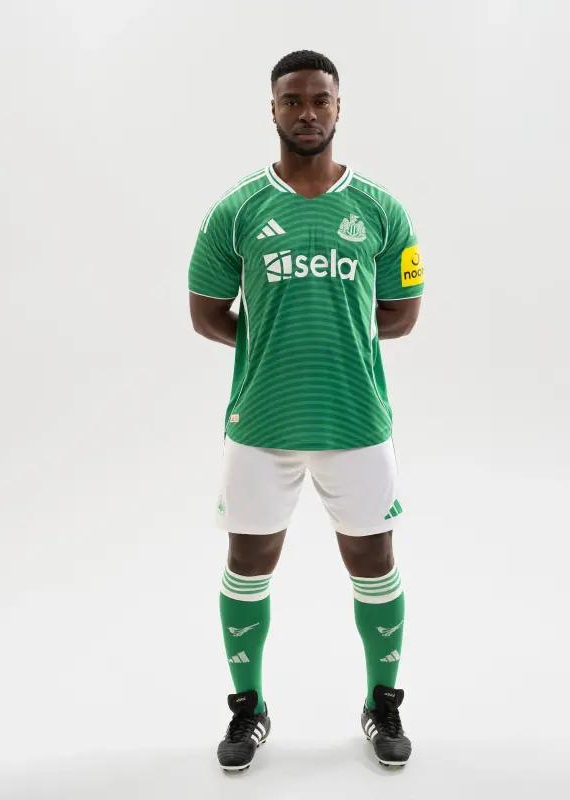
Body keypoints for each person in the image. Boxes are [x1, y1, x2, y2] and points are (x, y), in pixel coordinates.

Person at [188, 49, 424, 772]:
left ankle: (383, 701)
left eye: (320, 99)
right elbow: (206, 314)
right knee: (248, 562)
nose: (308, 112)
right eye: (292, 100)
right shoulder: (237, 208)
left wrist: (334, 335)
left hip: (356, 420)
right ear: (273, 109)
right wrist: (277, 341)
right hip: (262, 423)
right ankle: (248, 706)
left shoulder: (380, 208)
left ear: (339, 107)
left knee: (374, 560)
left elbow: (401, 312)